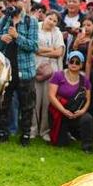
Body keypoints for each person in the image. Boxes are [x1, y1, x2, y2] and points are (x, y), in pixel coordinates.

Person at [0, 0, 38, 146]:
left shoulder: (30, 21)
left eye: (15, 1)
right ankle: (2, 133)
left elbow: (34, 46)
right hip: (7, 71)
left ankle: (25, 135)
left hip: (25, 70)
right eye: (9, 1)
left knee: (27, 105)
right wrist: (1, 39)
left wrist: (17, 37)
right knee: (3, 103)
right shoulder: (4, 20)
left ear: (23, 2)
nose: (12, 4)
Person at [48, 51, 93, 152]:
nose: (74, 64)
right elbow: (51, 96)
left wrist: (82, 111)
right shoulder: (58, 75)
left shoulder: (85, 80)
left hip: (76, 112)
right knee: (61, 144)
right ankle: (66, 135)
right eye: (71, 61)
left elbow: (88, 100)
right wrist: (64, 110)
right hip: (60, 112)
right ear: (67, 62)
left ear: (81, 64)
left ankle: (87, 146)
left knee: (87, 118)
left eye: (77, 62)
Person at [32, 11, 65, 141]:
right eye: (49, 18)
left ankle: (44, 130)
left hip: (52, 72)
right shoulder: (35, 27)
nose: (51, 22)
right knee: (35, 100)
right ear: (44, 17)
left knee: (47, 102)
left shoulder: (57, 32)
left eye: (54, 21)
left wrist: (43, 52)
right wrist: (49, 49)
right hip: (36, 69)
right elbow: (33, 48)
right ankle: (32, 129)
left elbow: (59, 52)